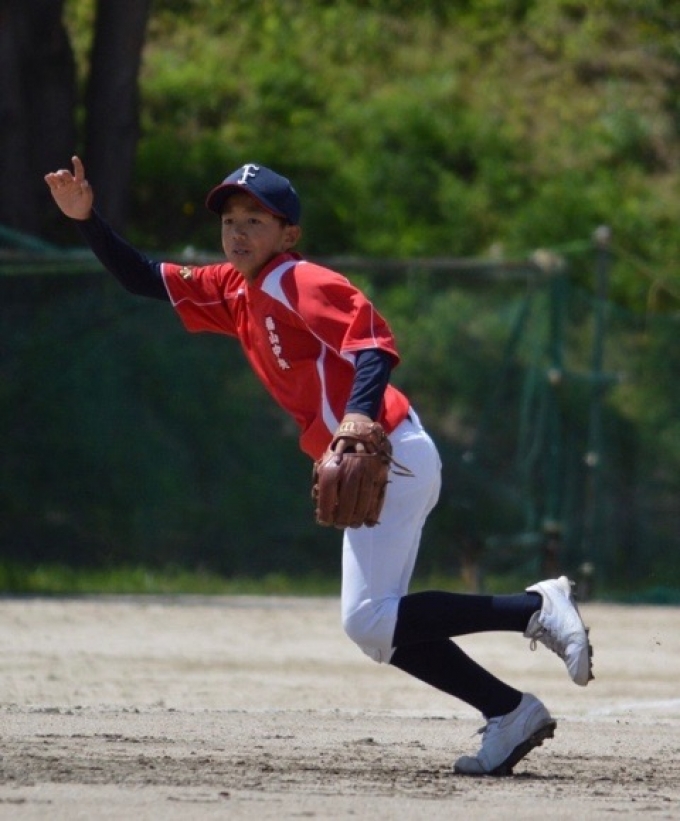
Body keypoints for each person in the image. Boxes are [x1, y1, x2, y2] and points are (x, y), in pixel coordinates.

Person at [45, 157, 593, 776]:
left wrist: (357, 417)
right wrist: (86, 219)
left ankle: (533, 608)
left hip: (387, 451)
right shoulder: (232, 288)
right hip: (379, 458)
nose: (238, 231)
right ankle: (509, 709)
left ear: (289, 234)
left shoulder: (296, 279)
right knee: (377, 627)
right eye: (230, 220)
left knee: (370, 620)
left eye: (256, 220)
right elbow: (144, 277)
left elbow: (373, 342)